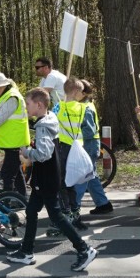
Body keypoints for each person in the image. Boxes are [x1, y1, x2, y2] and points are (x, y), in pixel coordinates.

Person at [6, 87, 98, 271]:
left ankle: (84, 249)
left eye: (29, 104)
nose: (26, 108)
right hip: (46, 176)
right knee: (31, 212)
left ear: (39, 105)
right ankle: (26, 251)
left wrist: (27, 152)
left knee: (56, 215)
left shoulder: (42, 125)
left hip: (47, 177)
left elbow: (44, 154)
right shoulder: (49, 119)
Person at [75, 80, 113, 214]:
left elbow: (89, 131)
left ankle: (74, 207)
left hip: (88, 145)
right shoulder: (84, 105)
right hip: (90, 144)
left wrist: (75, 131)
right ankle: (103, 204)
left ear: (83, 93)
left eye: (76, 90)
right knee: (90, 176)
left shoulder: (85, 108)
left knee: (81, 176)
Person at [54, 77, 87, 230]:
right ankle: (76, 215)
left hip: (63, 147)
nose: (82, 94)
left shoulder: (59, 107)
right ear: (75, 91)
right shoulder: (82, 107)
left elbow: (50, 120)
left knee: (61, 182)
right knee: (72, 182)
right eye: (80, 91)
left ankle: (65, 214)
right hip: (78, 146)